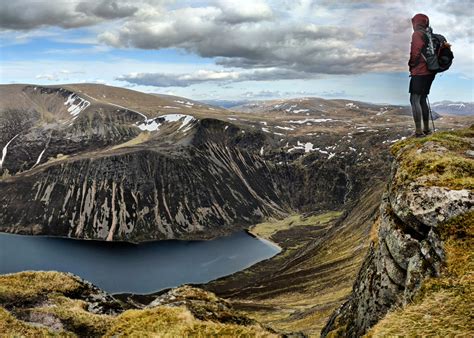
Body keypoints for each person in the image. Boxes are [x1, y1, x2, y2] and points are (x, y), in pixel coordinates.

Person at [408, 13, 435, 137]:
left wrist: (411, 65)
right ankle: (427, 129)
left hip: (420, 71)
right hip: (430, 71)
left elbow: (415, 52)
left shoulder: (418, 34)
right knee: (423, 98)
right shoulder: (429, 35)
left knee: (414, 99)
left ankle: (418, 132)